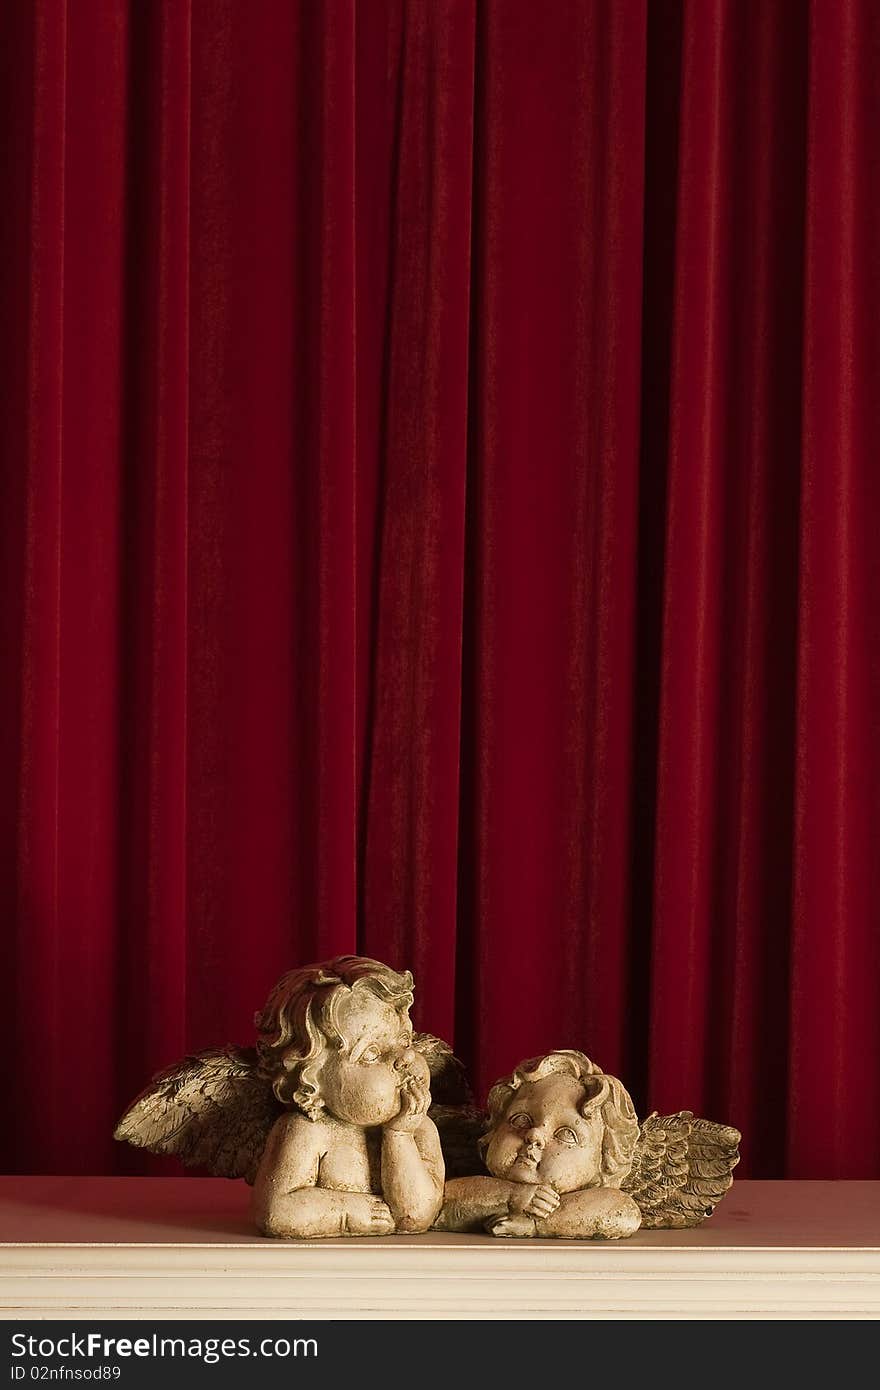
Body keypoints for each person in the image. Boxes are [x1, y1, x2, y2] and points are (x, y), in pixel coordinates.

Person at [252, 957, 444, 1237]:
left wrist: (399, 1136)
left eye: (405, 1040)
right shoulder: (308, 1131)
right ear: (312, 1079)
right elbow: (275, 1211)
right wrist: (348, 1211)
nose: (405, 1058)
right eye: (372, 1053)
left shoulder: (419, 1127)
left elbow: (415, 1216)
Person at [436, 1050, 641, 1238]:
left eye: (566, 1134)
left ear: (603, 1162)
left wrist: (535, 1225)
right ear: (492, 1133)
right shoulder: (461, 1178)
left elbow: (623, 1213)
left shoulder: (605, 1201)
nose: (534, 1135)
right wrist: (515, 1196)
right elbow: (436, 1201)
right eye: (521, 1120)